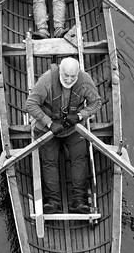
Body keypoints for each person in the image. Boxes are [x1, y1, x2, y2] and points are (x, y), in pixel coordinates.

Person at [26, 57, 102, 213]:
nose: (68, 79)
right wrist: (49, 123)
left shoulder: (85, 80)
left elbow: (96, 103)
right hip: (48, 129)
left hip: (72, 128)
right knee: (49, 160)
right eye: (65, 75)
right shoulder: (46, 80)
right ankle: (53, 201)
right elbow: (30, 104)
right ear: (60, 70)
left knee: (79, 158)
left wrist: (80, 115)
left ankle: (78, 201)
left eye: (72, 77)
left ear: (78, 73)